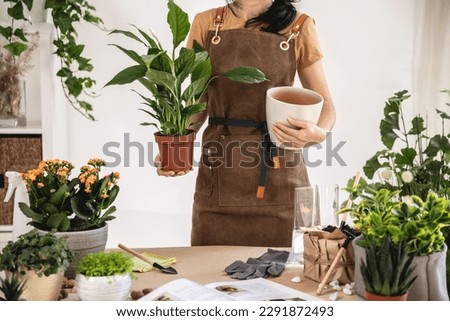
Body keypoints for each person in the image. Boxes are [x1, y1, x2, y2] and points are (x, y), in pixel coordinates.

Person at [156, 0, 335, 247]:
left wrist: (318, 133)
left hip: (280, 171)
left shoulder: (299, 26)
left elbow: (326, 105)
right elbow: (200, 99)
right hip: (220, 175)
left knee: (284, 276)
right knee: (210, 276)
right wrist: (177, 141)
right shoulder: (207, 23)